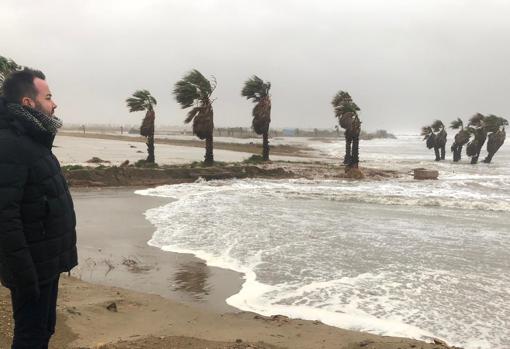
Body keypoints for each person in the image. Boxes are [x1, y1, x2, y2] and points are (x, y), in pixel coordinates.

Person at [0, 68, 78, 349]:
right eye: (48, 97)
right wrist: (24, 276)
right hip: (31, 268)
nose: (54, 104)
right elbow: (4, 218)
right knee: (30, 337)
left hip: (44, 263)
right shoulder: (10, 145)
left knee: (43, 331)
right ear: (28, 103)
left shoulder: (33, 140)